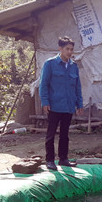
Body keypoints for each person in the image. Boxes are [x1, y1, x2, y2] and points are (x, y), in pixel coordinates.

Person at [39, 36, 83, 171]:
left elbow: (77, 87)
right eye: (67, 49)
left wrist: (79, 104)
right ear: (60, 49)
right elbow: (43, 84)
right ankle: (50, 160)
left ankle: (63, 159)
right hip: (54, 105)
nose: (69, 52)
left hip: (68, 106)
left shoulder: (73, 66)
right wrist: (45, 101)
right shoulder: (50, 64)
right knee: (51, 134)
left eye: (71, 49)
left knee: (65, 134)